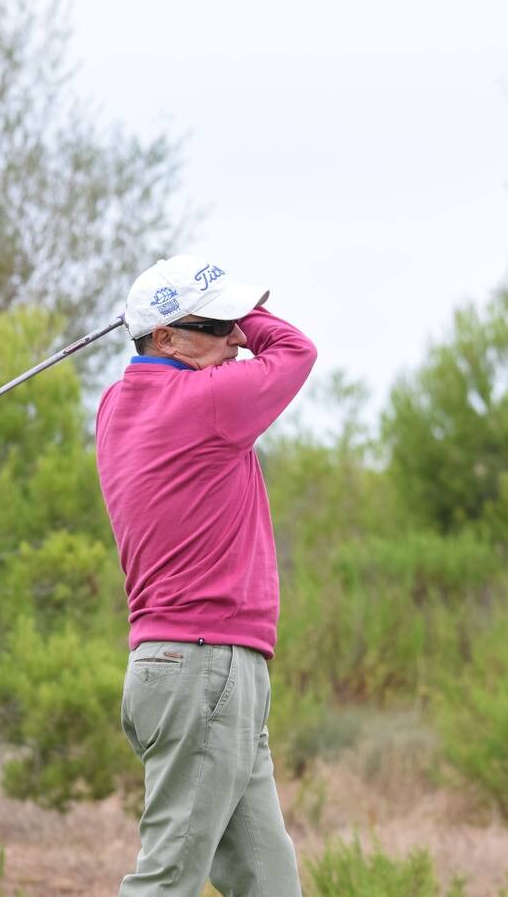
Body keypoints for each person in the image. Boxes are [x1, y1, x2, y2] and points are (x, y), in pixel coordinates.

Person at [95, 254, 317, 896]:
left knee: (268, 882)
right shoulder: (207, 402)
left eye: (233, 324)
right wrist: (251, 318)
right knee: (166, 880)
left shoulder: (115, 405)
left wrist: (208, 325)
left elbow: (187, 365)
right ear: (163, 337)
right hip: (203, 668)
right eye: (217, 326)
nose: (234, 341)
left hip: (191, 669)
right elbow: (296, 350)